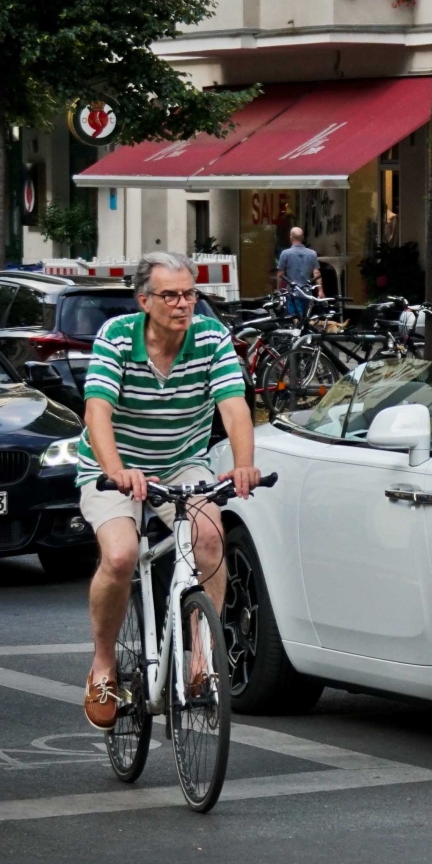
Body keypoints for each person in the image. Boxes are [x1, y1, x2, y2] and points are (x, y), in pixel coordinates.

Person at [78, 253, 261, 728]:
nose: (183, 304)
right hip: (113, 465)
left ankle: (202, 655)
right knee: (119, 557)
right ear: (144, 300)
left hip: (181, 462)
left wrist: (243, 466)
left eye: (190, 294)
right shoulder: (117, 337)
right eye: (171, 295)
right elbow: (97, 411)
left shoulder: (211, 337)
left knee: (210, 537)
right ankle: (102, 665)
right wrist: (117, 470)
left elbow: (234, 406)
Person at [274, 226, 319, 317]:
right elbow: (317, 273)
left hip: (293, 293)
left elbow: (280, 274)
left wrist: (278, 290)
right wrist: (320, 291)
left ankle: (297, 329)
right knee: (305, 317)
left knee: (295, 318)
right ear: (303, 238)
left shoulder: (285, 253)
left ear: (291, 238)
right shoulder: (312, 253)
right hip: (307, 293)